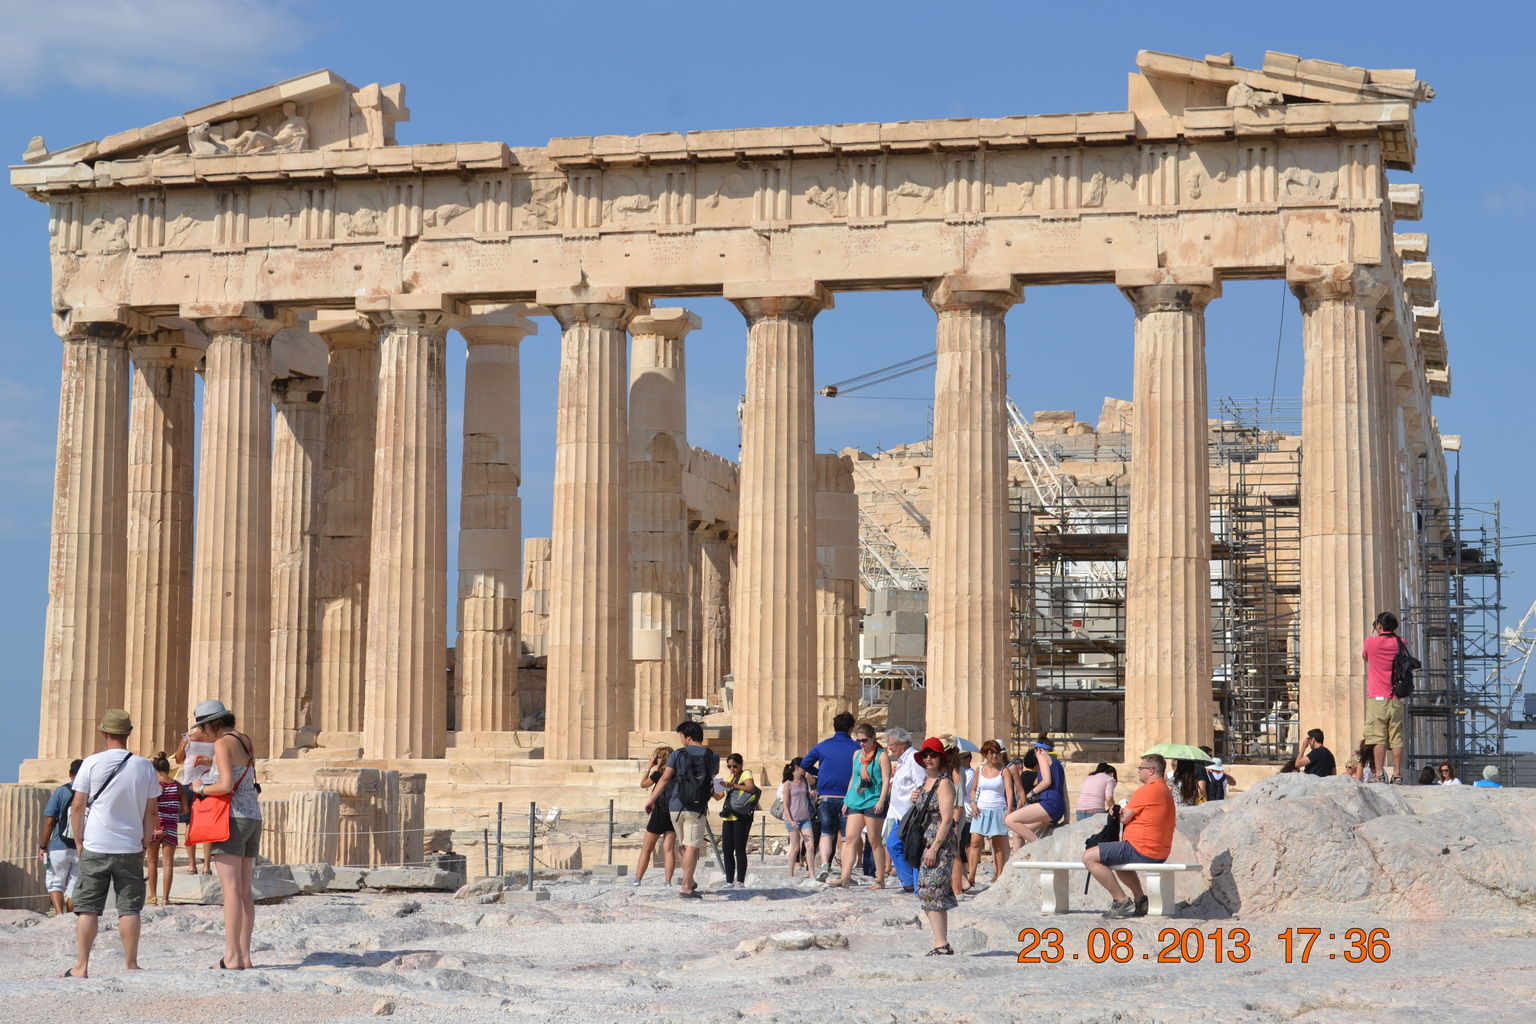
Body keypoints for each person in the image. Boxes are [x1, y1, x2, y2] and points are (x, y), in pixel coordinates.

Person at [65, 710, 159, 979]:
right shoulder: (144, 766)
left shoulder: (91, 763)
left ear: (104, 734)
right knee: (129, 908)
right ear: (129, 733)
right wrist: (144, 839)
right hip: (130, 845)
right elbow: (152, 811)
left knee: (88, 908)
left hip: (96, 843)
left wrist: (79, 840)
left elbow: (78, 805)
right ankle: (131, 964)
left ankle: (81, 966)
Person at [189, 699, 261, 969]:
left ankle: (231, 957)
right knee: (244, 891)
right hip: (253, 816)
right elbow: (241, 772)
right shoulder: (245, 740)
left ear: (211, 724)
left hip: (230, 818)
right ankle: (244, 955)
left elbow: (225, 784)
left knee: (230, 890)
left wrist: (200, 789)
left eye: (203, 726)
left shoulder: (221, 743)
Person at [1083, 753, 1175, 919]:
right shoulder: (1164, 790)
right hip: (1158, 850)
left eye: (1141, 768)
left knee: (1089, 857)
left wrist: (1117, 812)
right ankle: (1140, 900)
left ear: (1151, 771)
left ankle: (1121, 899)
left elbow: (1125, 818)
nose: (1139, 771)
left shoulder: (1147, 790)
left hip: (1142, 848)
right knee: (1116, 857)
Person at [644, 720, 719, 899]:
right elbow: (711, 782)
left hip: (675, 805)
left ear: (689, 737)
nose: (681, 740)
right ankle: (686, 885)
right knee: (693, 846)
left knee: (683, 845)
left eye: (681, 736)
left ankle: (689, 881)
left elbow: (664, 779)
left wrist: (651, 800)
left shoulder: (677, 754)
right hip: (696, 806)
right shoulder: (712, 756)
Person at [911, 737, 958, 955]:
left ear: (941, 758)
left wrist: (935, 848)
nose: (929, 758)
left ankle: (941, 944)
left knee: (933, 890)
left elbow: (947, 819)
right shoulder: (926, 782)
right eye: (926, 755)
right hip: (926, 841)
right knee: (929, 890)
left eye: (933, 755)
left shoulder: (944, 783)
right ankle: (941, 943)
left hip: (939, 843)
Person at [830, 723, 891, 888]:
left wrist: (881, 800)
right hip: (856, 799)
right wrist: (846, 800)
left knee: (874, 840)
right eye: (859, 740)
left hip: (873, 800)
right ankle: (845, 877)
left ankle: (880, 879)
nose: (861, 744)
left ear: (872, 738)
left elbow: (886, 780)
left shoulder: (882, 756)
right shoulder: (856, 754)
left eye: (864, 740)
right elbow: (854, 777)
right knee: (850, 838)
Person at [800, 711, 858, 882]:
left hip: (826, 794)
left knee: (827, 833)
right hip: (848, 797)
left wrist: (820, 773)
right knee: (847, 838)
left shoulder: (822, 746)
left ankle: (825, 864)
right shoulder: (856, 747)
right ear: (851, 729)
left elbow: (804, 764)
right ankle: (844, 872)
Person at [1362, 611, 1407, 783]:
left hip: (1377, 697)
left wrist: (1376, 634)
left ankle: (1379, 774)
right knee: (1396, 738)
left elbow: (1366, 656)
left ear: (1379, 625)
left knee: (1377, 737)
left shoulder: (1371, 642)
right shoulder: (1401, 642)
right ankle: (1397, 773)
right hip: (1396, 697)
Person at [966, 740, 1018, 886]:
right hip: (981, 809)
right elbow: (974, 789)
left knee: (998, 845)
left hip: (998, 809)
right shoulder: (979, 770)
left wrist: (1008, 811)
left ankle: (999, 873)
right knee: (975, 842)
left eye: (996, 752)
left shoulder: (1004, 770)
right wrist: (973, 802)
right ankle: (972, 875)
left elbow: (1009, 791)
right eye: (991, 752)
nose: (994, 755)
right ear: (985, 754)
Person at [37, 759, 84, 917]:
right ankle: (72, 918)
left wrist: (43, 846)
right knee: (74, 887)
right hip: (81, 847)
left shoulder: (62, 791)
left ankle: (59, 915)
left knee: (55, 882)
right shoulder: (90, 793)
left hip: (59, 845)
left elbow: (50, 821)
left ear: (70, 774)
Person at [880, 729, 922, 894]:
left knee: (907, 847)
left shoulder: (914, 759)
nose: (890, 748)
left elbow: (922, 782)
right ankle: (909, 882)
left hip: (911, 814)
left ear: (903, 743)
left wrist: (918, 795)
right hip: (899, 814)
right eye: (889, 745)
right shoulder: (902, 761)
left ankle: (915, 884)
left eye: (893, 745)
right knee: (894, 845)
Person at [1005, 734, 1067, 844]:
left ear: (1038, 749)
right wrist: (1066, 819)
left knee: (1009, 820)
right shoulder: (1059, 764)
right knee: (1019, 832)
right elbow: (1065, 794)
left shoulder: (1042, 756)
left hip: (1049, 803)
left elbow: (1047, 781)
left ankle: (1039, 846)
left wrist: (1031, 793)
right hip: (1058, 808)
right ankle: (1020, 858)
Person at [632, 746, 677, 888]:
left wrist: (648, 767)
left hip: (659, 813)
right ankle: (668, 881)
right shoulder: (677, 774)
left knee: (647, 848)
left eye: (657, 756)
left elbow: (643, 784)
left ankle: (637, 879)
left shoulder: (659, 774)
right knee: (668, 849)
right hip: (674, 812)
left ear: (662, 759)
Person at [174, 724, 215, 875]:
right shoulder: (216, 740)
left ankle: (192, 865)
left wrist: (183, 744)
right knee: (208, 825)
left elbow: (178, 759)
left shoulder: (189, 739)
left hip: (190, 784)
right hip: (209, 784)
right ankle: (207, 866)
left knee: (189, 825)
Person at [714, 753, 759, 888]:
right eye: (729, 766)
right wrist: (711, 789)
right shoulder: (729, 778)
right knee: (727, 849)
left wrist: (733, 785)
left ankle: (740, 881)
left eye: (734, 766)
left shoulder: (746, 774)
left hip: (741, 817)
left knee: (739, 848)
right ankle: (729, 880)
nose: (732, 769)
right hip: (729, 816)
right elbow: (718, 797)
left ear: (741, 764)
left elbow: (751, 788)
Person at [145, 752, 181, 907]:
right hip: (171, 825)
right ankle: (166, 898)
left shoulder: (153, 785)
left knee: (152, 862)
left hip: (154, 825)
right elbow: (185, 809)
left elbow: (150, 808)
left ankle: (153, 897)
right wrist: (170, 811)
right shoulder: (177, 785)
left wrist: (157, 826)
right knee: (168, 863)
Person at [779, 761, 814, 879]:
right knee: (795, 847)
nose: (805, 769)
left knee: (810, 845)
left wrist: (812, 793)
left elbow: (807, 794)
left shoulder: (804, 781)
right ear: (797, 767)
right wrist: (791, 821)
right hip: (792, 818)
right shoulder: (787, 783)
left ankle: (812, 874)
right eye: (803, 767)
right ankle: (790, 874)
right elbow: (786, 805)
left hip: (805, 817)